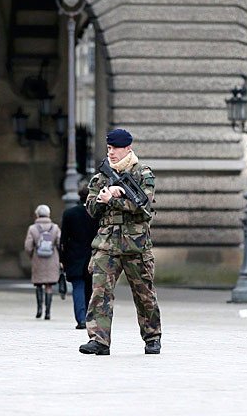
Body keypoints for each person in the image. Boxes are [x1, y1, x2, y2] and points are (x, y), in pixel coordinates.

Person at [80, 128, 160, 356]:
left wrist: (116, 198)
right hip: (106, 244)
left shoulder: (143, 173)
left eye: (115, 148)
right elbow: (91, 209)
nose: (111, 152)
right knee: (100, 293)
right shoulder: (100, 177)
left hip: (136, 245)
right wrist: (103, 198)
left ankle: (152, 337)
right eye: (109, 148)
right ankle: (99, 340)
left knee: (144, 294)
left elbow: (143, 207)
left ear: (128, 148)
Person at [60, 186, 98, 329]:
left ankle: (81, 319)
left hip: (74, 256)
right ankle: (89, 318)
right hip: (93, 255)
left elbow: (63, 239)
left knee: (78, 287)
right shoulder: (97, 214)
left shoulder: (70, 213)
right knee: (90, 288)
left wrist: (62, 259)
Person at [24, 204, 62, 320]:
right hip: (52, 259)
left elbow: (28, 246)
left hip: (38, 259)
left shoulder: (32, 228)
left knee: (39, 285)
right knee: (49, 286)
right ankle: (48, 312)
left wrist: (32, 255)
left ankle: (39, 309)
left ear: (37, 215)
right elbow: (60, 243)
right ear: (48, 214)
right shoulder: (55, 228)